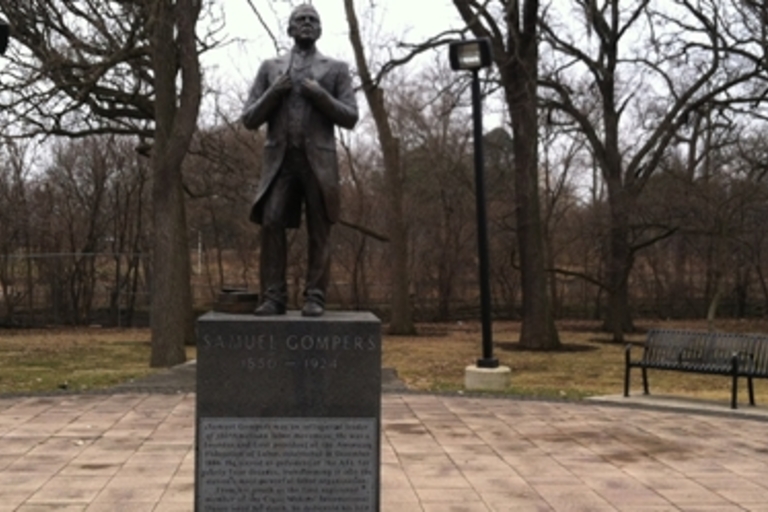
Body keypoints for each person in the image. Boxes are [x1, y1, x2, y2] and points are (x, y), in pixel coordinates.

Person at [241, 4, 358, 317]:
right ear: (290, 29)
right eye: (300, 20)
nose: (307, 24)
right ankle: (273, 297)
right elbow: (249, 118)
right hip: (280, 162)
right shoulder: (270, 68)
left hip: (319, 164)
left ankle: (316, 297)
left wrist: (320, 96)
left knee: (320, 230)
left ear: (319, 30)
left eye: (313, 20)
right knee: (272, 222)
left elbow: (351, 116)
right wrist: (274, 93)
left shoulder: (335, 69)